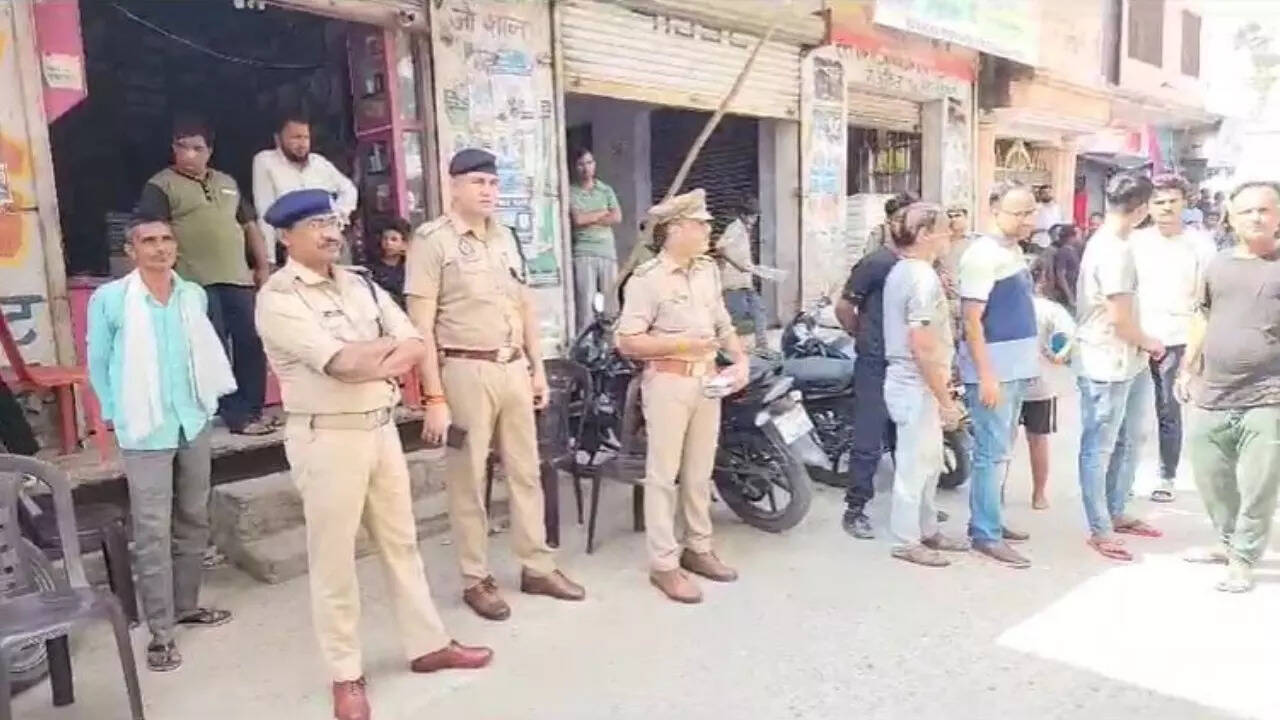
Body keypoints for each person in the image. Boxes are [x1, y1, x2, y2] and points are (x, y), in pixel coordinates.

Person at [255, 189, 492, 720]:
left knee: (402, 543)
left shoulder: (360, 283)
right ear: (286, 237)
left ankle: (427, 645)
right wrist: (385, 353)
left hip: (380, 431)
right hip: (326, 437)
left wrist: (377, 356)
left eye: (332, 221)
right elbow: (340, 363)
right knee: (334, 560)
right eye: (314, 225)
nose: (329, 232)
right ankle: (346, 675)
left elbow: (415, 343)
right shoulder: (279, 298)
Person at [407, 149, 585, 621]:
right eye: (477, 182)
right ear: (453, 186)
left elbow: (525, 306)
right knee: (469, 478)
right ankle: (475, 577)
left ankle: (536, 565)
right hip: (465, 371)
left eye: (491, 183)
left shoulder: (505, 237)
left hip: (512, 368)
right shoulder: (432, 241)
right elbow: (420, 327)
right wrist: (434, 396)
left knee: (526, 472)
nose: (487, 191)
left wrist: (537, 367)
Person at [87, 218, 236, 672]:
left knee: (193, 516)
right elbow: (98, 361)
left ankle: (186, 605)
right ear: (131, 251)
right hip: (144, 427)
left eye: (166, 239)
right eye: (148, 241)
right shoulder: (111, 299)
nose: (159, 248)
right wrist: (114, 415)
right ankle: (161, 633)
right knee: (152, 529)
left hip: (193, 420)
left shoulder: (192, 294)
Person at [615, 188, 750, 603]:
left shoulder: (707, 271)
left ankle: (698, 547)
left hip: (707, 381)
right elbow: (627, 341)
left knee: (699, 472)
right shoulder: (647, 279)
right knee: (663, 477)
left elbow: (723, 323)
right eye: (700, 225)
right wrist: (681, 345)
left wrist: (740, 361)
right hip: (668, 384)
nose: (709, 231)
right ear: (675, 229)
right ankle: (664, 564)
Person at [136, 115, 273, 436]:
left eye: (197, 148)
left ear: (209, 151)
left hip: (238, 278)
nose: (189, 155)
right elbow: (152, 232)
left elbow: (249, 225)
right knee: (214, 348)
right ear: (173, 148)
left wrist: (263, 266)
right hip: (193, 281)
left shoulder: (227, 182)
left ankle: (253, 409)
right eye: (182, 147)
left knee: (251, 342)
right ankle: (235, 416)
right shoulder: (161, 185)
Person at [1177, 181, 1280, 593]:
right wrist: (1187, 367)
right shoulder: (1217, 265)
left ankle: (1243, 558)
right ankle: (1227, 541)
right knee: (1210, 476)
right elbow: (1202, 316)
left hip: (1269, 393)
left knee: (1258, 484)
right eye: (1247, 211)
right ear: (1231, 219)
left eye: (1264, 210)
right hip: (1214, 391)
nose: (1256, 217)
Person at [1074, 173, 1165, 563]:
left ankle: (1115, 509)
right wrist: (1150, 341)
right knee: (1099, 447)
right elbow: (1119, 320)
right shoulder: (1113, 250)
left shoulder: (1114, 242)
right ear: (1142, 209)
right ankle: (1100, 527)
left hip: (1128, 360)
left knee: (1130, 439)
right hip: (1106, 361)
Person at [956, 181, 1040, 568]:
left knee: (1002, 451)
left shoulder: (1013, 250)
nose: (1027, 220)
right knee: (990, 454)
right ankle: (985, 533)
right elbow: (971, 320)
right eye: (1018, 213)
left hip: (1016, 366)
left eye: (1030, 212)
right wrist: (986, 375)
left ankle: (991, 519)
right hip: (995, 369)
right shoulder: (981, 255)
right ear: (995, 211)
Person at [879, 203, 968, 567]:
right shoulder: (920, 277)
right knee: (914, 466)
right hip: (916, 382)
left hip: (918, 381)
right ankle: (907, 539)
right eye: (945, 228)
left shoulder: (908, 271)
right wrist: (945, 399)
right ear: (924, 234)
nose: (951, 234)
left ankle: (927, 529)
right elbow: (921, 346)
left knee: (930, 463)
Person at [1130, 174, 1214, 504]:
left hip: (1177, 338)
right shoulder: (1135, 242)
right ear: (1148, 206)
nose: (1166, 207)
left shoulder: (1200, 245)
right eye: (1159, 201)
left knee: (1168, 410)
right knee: (1130, 412)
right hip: (1136, 336)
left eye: (1172, 201)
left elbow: (1205, 301)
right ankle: (1124, 476)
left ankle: (1166, 476)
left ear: (1184, 202)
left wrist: (1195, 355)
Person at [835, 229, 900, 539]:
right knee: (869, 438)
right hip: (875, 361)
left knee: (905, 437)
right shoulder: (876, 263)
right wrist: (863, 337)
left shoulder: (919, 265)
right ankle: (855, 508)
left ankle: (912, 504)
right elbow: (844, 307)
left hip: (906, 362)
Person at [252, 109, 358, 267]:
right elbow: (264, 211)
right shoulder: (266, 162)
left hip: (331, 241)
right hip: (296, 246)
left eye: (306, 137)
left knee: (344, 280)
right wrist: (269, 260)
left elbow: (349, 190)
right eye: (295, 138)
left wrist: (338, 216)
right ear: (278, 139)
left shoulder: (319, 163)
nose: (302, 144)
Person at [1020, 254, 1075, 510]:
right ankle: (1039, 495)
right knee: (1039, 439)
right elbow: (1068, 337)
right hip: (1041, 383)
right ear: (1044, 279)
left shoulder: (1010, 306)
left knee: (1002, 443)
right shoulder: (1051, 310)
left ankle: (996, 494)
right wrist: (1059, 356)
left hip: (1007, 380)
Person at [569, 147, 622, 330]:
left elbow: (617, 217)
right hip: (584, 252)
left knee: (610, 304)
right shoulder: (571, 192)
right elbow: (578, 219)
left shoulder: (605, 190)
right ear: (575, 167)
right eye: (581, 164)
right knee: (586, 304)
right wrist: (602, 213)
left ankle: (610, 343)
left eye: (589, 163)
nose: (586, 168)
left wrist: (589, 217)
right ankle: (586, 344)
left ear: (595, 165)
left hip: (607, 250)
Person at [714, 194, 768, 349]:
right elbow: (720, 247)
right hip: (733, 283)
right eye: (752, 216)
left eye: (756, 217)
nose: (755, 220)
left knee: (759, 310)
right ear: (743, 215)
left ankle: (762, 346)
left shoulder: (744, 230)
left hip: (745, 282)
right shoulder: (735, 228)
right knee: (735, 317)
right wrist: (738, 265)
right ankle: (725, 347)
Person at [367, 216, 410, 308]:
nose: (388, 243)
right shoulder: (371, 270)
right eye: (385, 239)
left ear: (404, 244)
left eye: (394, 240)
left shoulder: (410, 268)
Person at [1047, 223, 1083, 314]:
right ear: (1071, 237)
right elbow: (1061, 275)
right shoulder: (1063, 252)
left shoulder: (1074, 250)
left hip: (1075, 291)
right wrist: (1069, 295)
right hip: (1067, 295)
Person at [1031, 185, 1062, 249]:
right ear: (1040, 195)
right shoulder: (1035, 208)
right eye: (1044, 193)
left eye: (1049, 192)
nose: (1047, 194)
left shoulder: (1057, 208)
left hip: (1054, 243)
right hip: (1038, 242)